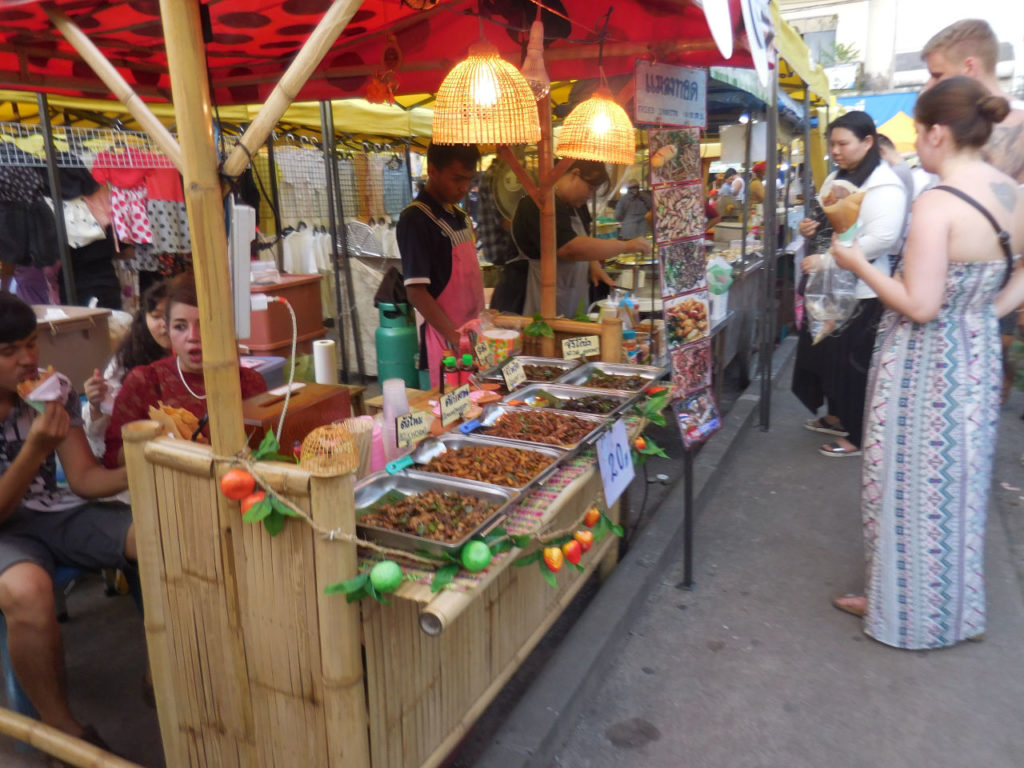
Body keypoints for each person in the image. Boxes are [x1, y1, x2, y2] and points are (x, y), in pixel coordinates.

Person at [830, 77, 1024, 649]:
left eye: (918, 130)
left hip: (922, 368)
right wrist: (985, 313)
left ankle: (898, 607)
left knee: (899, 487)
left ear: (937, 132)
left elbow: (919, 304)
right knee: (957, 490)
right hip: (976, 357)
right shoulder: (1012, 192)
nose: (917, 141)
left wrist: (857, 265)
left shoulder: (937, 204)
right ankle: (950, 610)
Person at [0, 292, 132, 748]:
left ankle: (177, 672)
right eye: (8, 352)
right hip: (4, 532)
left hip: (50, 510)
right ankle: (62, 731)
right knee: (28, 589)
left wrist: (140, 466)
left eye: (30, 344)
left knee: (154, 539)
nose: (26, 360)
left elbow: (82, 478)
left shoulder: (49, 390)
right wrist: (34, 449)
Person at [791, 111, 906, 458]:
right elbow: (829, 222)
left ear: (868, 142)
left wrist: (827, 259)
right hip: (830, 287)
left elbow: (882, 239)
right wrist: (810, 228)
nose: (835, 151)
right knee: (824, 356)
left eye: (843, 143)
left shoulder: (885, 185)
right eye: (832, 144)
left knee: (851, 364)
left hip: (863, 291)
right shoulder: (841, 177)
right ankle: (838, 415)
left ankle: (857, 435)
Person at [922, 18, 1024, 401]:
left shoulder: (1015, 129)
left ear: (968, 67)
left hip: (974, 312)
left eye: (937, 75)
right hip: (945, 313)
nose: (930, 86)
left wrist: (991, 311)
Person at [103, 273, 267, 467]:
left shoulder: (248, 382)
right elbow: (113, 458)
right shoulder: (146, 382)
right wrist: (168, 448)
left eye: (204, 325)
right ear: (168, 329)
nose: (192, 336)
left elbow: (266, 452)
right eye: (180, 326)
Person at [512, 160, 651, 319]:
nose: (590, 196)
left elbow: (583, 238)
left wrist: (593, 265)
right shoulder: (537, 204)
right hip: (534, 303)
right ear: (575, 174)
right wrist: (626, 246)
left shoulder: (575, 206)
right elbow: (568, 248)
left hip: (572, 301)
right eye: (590, 188)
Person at [397, 143, 484, 388]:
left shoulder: (460, 215)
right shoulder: (415, 219)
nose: (464, 187)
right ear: (432, 171)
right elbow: (416, 292)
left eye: (469, 179)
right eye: (457, 179)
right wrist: (456, 338)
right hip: (447, 341)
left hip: (474, 335)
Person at [82, 280, 171, 458]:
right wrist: (95, 405)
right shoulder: (128, 358)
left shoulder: (203, 358)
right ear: (144, 318)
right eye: (156, 315)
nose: (165, 325)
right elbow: (98, 434)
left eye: (173, 318)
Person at [875, 134, 914, 271]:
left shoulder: (896, 172)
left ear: (882, 150)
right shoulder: (903, 168)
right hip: (895, 244)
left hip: (891, 247)